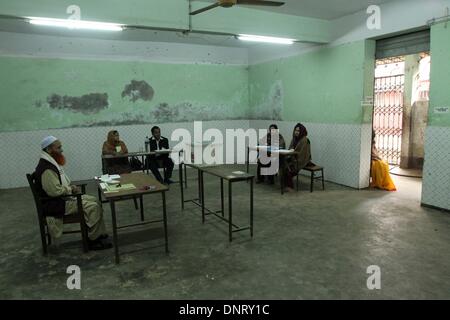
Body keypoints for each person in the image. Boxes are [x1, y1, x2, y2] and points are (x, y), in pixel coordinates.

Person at [35, 136, 112, 250]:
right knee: (93, 207)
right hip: (54, 204)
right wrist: (70, 189)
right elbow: (55, 192)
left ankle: (99, 233)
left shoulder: (51, 163)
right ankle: (93, 241)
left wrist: (70, 188)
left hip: (61, 199)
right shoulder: (47, 169)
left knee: (95, 200)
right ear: (49, 150)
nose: (62, 150)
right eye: (59, 148)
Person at [283, 123, 312, 192]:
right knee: (283, 166)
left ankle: (290, 187)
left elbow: (304, 154)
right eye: (295, 130)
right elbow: (290, 148)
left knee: (289, 170)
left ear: (302, 131)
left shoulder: (305, 140)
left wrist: (293, 156)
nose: (296, 132)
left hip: (302, 160)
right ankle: (286, 185)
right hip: (293, 158)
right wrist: (291, 152)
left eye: (298, 131)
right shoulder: (294, 139)